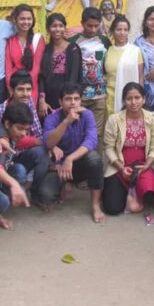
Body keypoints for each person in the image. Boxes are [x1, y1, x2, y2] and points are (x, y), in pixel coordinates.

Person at [42, 83, 106, 223]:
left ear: (81, 100)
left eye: (76, 99)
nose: (73, 102)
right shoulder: (52, 118)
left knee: (94, 158)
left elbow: (91, 141)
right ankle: (65, 183)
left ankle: (95, 205)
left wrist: (70, 159)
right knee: (46, 195)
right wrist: (66, 122)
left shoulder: (87, 115)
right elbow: (49, 143)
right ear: (60, 102)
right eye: (68, 99)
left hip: (78, 164)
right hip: (58, 167)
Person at [102, 82, 154, 215]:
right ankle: (129, 191)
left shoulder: (152, 118)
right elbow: (109, 148)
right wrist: (121, 167)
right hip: (119, 167)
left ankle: (134, 192)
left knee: (150, 195)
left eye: (137, 98)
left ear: (144, 99)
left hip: (143, 166)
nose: (133, 102)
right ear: (124, 101)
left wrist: (147, 165)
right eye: (129, 98)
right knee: (112, 208)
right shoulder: (114, 120)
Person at [70, 7, 111, 136]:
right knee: (77, 130)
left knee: (97, 133)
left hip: (99, 94)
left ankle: (95, 150)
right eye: (89, 25)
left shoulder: (105, 41)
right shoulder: (73, 41)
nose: (93, 29)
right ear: (82, 23)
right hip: (79, 96)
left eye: (96, 26)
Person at [39, 13, 81, 118]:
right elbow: (41, 76)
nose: (57, 29)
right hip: (49, 97)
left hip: (67, 96)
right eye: (54, 26)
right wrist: (42, 99)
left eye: (61, 26)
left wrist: (68, 98)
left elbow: (74, 76)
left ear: (65, 28)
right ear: (48, 29)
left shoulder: (73, 48)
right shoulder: (45, 49)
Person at [103, 15, 144, 116]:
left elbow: (141, 77)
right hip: (110, 97)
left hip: (130, 98)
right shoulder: (107, 51)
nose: (122, 33)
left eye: (125, 30)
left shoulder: (135, 51)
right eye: (119, 29)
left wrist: (140, 97)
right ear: (112, 31)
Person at [5, 4, 45, 106]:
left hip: (31, 86)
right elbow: (8, 67)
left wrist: (25, 88)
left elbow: (37, 67)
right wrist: (11, 87)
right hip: (14, 86)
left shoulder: (38, 39)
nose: (26, 22)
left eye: (29, 19)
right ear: (15, 20)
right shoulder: (10, 41)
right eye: (22, 19)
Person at [0, 71, 43, 139]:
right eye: (20, 89)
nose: (25, 94)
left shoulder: (28, 101)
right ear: (11, 90)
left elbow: (38, 133)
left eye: (28, 89)